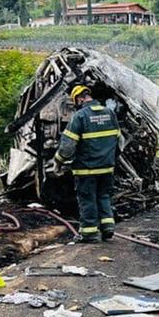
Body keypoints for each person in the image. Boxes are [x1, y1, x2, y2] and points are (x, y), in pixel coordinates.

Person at [54, 85, 120, 243]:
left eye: (75, 101)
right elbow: (119, 140)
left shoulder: (80, 116)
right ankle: (107, 227)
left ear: (80, 98)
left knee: (87, 199)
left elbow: (67, 146)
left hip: (86, 169)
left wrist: (58, 161)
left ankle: (89, 233)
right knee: (104, 196)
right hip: (107, 167)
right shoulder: (109, 113)